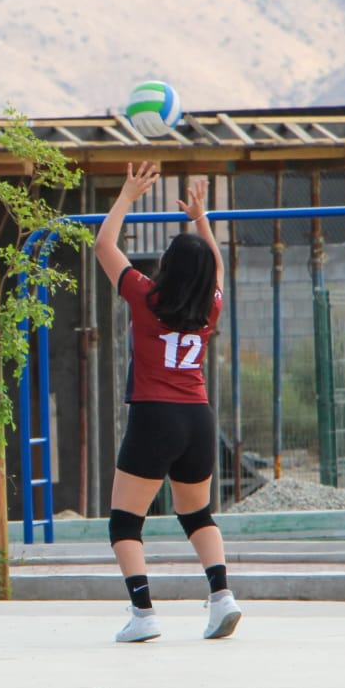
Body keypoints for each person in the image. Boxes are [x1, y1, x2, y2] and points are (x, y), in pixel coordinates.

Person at [93, 161, 242, 643]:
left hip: (154, 416)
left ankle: (143, 614)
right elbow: (215, 265)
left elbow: (104, 246)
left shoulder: (144, 295)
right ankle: (222, 598)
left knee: (124, 522)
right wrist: (200, 218)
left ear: (166, 268)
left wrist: (127, 196)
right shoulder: (210, 306)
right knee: (197, 514)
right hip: (198, 418)